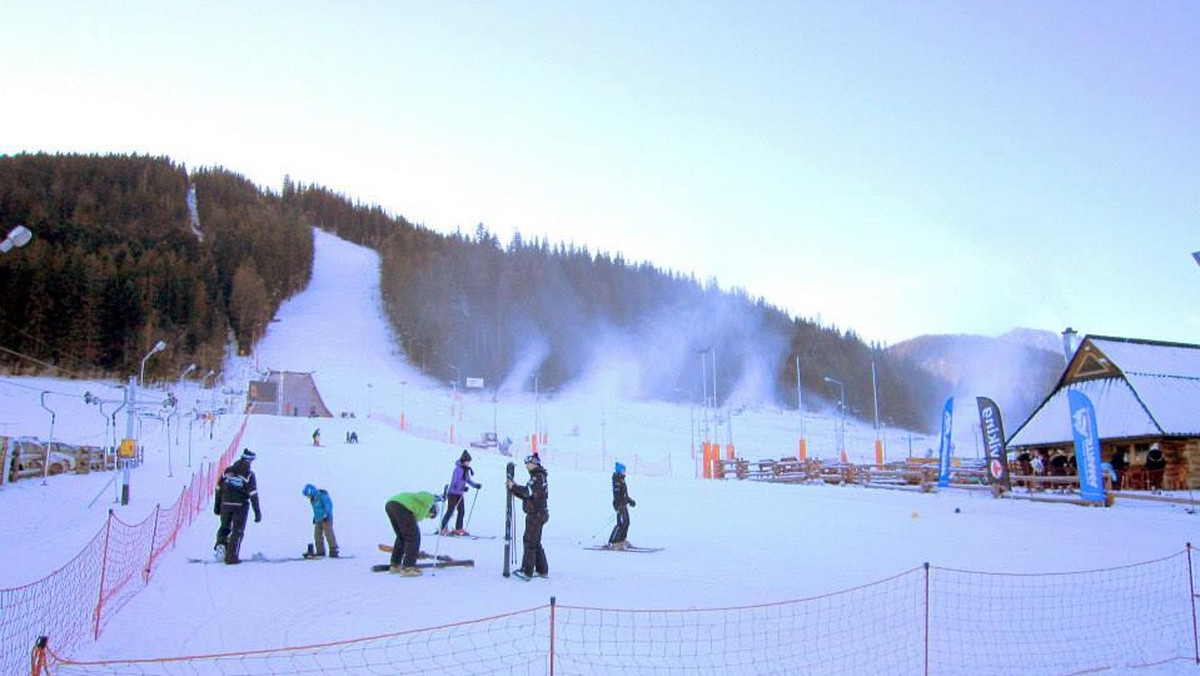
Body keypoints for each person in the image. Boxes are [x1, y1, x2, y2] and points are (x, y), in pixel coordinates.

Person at [213, 449, 262, 565]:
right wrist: (257, 512)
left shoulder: (227, 471)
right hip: (240, 506)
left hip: (225, 504)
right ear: (249, 461)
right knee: (237, 531)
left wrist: (217, 506)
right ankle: (231, 556)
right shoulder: (249, 475)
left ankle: (221, 548)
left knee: (224, 527)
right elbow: (253, 494)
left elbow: (218, 489)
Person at [507, 454, 549, 579]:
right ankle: (542, 569)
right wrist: (514, 489)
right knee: (535, 542)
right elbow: (528, 494)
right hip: (538, 513)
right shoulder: (539, 476)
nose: (526, 466)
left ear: (534, 463)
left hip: (536, 514)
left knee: (529, 541)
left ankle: (527, 570)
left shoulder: (537, 477)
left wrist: (513, 487)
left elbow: (527, 492)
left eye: (528, 463)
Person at [384, 491, 440, 576]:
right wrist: (434, 498)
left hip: (392, 505)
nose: (428, 517)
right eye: (431, 514)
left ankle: (395, 564)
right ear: (432, 508)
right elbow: (421, 495)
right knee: (413, 537)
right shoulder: (426, 502)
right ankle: (408, 567)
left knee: (402, 537)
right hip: (401, 506)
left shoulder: (419, 510)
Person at [440, 450, 482, 535]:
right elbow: (454, 482)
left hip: (460, 494)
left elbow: (468, 480)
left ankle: (458, 528)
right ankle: (443, 528)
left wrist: (475, 485)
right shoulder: (458, 469)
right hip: (453, 493)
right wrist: (461, 488)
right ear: (464, 461)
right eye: (468, 461)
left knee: (461, 511)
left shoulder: (466, 470)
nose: (469, 463)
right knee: (450, 510)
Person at [302, 483, 340, 558]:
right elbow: (316, 510)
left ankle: (333, 550)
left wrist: (326, 515)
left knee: (328, 533)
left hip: (326, 519)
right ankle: (320, 551)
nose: (308, 497)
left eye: (308, 495)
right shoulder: (313, 499)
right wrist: (315, 518)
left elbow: (328, 505)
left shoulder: (322, 496)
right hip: (318, 519)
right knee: (317, 535)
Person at [608, 462, 637, 550]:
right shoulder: (617, 481)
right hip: (619, 505)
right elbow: (617, 495)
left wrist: (630, 501)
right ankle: (613, 542)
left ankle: (621, 540)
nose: (625, 472)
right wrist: (617, 506)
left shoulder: (622, 480)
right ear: (619, 471)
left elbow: (624, 494)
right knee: (620, 524)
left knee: (627, 522)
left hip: (624, 504)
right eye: (623, 471)